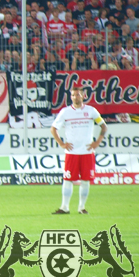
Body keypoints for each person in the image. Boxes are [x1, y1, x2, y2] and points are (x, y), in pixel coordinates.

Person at [49, 85, 107, 215]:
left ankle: (81, 207)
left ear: (83, 96)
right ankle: (64, 207)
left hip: (87, 152)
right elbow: (53, 129)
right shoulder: (65, 112)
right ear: (71, 97)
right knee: (68, 179)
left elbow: (104, 127)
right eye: (73, 95)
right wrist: (62, 144)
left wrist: (97, 142)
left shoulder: (91, 111)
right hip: (72, 152)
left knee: (85, 180)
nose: (76, 97)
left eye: (78, 95)